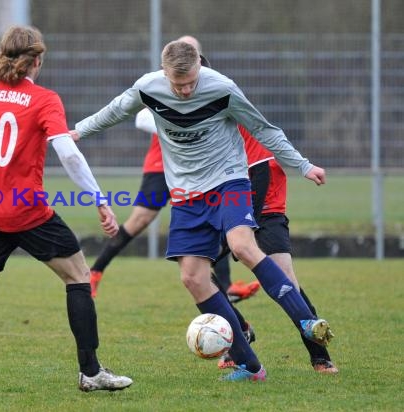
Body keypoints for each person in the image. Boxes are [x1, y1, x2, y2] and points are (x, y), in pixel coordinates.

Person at [71, 39, 334, 381]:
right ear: (164, 74)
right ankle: (249, 365)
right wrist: (77, 131)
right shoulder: (148, 88)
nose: (185, 90)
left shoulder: (222, 88)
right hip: (186, 194)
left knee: (241, 244)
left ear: (200, 69)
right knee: (192, 277)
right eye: (178, 84)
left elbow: (264, 129)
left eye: (191, 82)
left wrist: (302, 166)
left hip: (229, 180)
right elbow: (115, 111)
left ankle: (306, 320)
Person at [0, 25, 132, 397]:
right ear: (37, 61)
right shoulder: (44, 99)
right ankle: (90, 372)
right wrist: (99, 198)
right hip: (28, 210)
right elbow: (68, 153)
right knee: (78, 276)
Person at [90, 36, 258, 304]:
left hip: (202, 172)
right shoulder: (162, 84)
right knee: (139, 221)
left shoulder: (207, 82)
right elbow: (140, 117)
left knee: (217, 222)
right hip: (161, 167)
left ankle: (225, 288)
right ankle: (96, 270)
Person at [213, 125, 338, 374]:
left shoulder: (240, 122)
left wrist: (246, 226)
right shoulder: (205, 127)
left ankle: (320, 357)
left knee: (287, 283)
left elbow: (260, 174)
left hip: (267, 211)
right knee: (197, 271)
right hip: (230, 211)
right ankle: (242, 331)